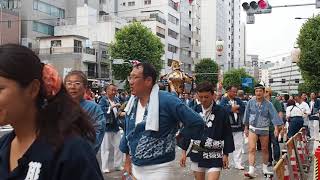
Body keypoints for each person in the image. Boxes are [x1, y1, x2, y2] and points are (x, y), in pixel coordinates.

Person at [0, 44, 103, 179]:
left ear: (32, 89)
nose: (73, 87)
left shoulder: (71, 151)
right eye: (70, 83)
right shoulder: (3, 146)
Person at [119, 62, 205, 180]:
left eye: (135, 77)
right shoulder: (131, 103)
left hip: (159, 169)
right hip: (136, 168)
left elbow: (197, 122)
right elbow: (128, 134)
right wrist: (127, 163)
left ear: (148, 80)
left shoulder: (167, 100)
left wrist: (179, 136)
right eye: (130, 77)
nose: (131, 81)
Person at [179, 82, 235, 180]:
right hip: (198, 152)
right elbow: (187, 131)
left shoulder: (222, 112)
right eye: (200, 97)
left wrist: (226, 154)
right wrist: (183, 152)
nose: (203, 100)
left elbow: (227, 134)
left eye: (206, 97)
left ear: (213, 95)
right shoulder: (193, 111)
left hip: (215, 153)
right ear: (197, 96)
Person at [243, 84, 283, 178]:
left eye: (260, 91)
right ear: (255, 92)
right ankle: (251, 170)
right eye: (256, 91)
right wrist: (246, 127)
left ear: (264, 92)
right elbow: (246, 114)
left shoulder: (269, 104)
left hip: (264, 128)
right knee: (252, 148)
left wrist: (276, 129)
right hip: (253, 128)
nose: (258, 93)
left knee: (265, 149)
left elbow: (274, 116)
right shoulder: (250, 102)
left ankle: (265, 168)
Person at [64, 70, 106, 154]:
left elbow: (97, 135)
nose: (72, 87)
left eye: (77, 83)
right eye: (69, 83)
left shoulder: (94, 108)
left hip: (83, 156)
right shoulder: (57, 107)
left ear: (85, 87)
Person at [98, 84, 123, 173]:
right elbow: (101, 111)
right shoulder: (103, 100)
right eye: (112, 90)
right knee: (106, 148)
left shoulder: (116, 99)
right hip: (107, 127)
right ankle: (104, 167)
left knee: (119, 146)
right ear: (107, 91)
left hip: (116, 126)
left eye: (115, 90)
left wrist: (120, 110)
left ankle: (117, 165)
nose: (114, 92)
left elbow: (118, 112)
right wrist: (111, 107)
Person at [220, 86, 245, 170]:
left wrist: (236, 108)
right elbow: (222, 109)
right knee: (225, 145)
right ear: (228, 91)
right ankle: (225, 162)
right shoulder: (224, 100)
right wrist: (231, 109)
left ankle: (237, 163)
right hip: (227, 127)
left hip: (238, 126)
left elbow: (243, 108)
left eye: (235, 92)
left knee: (238, 145)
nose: (235, 93)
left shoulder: (238, 100)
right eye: (233, 92)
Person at [264, 88, 283, 166]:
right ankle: (269, 160)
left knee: (275, 143)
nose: (264, 93)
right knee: (266, 145)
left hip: (274, 127)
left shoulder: (275, 101)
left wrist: (280, 125)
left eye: (266, 91)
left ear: (269, 93)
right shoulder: (262, 101)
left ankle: (276, 159)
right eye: (264, 91)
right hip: (265, 127)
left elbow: (280, 113)